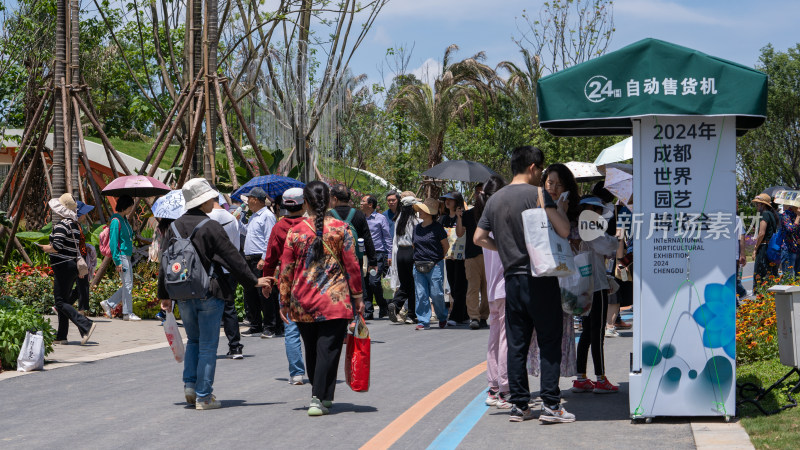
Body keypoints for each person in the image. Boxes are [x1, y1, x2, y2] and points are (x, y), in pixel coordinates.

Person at [474, 145, 575, 423]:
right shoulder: (538, 194)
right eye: (541, 170)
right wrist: (556, 208)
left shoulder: (494, 199)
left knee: (517, 344)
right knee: (549, 340)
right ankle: (552, 406)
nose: (542, 175)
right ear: (532, 168)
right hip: (540, 278)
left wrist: (505, 253)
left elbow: (479, 238)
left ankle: (520, 405)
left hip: (512, 281)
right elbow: (564, 230)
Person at [158, 178, 270, 410]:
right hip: (210, 291)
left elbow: (164, 262)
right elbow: (233, 257)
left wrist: (164, 294)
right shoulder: (210, 226)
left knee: (194, 341)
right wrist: (253, 280)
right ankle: (204, 396)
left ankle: (190, 385)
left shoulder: (174, 226)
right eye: (211, 198)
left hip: (183, 293)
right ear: (203, 201)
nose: (215, 201)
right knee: (208, 345)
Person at [277, 181, 364, 416]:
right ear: (329, 201)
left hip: (302, 301)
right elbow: (352, 265)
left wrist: (284, 300)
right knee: (329, 349)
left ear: (305, 202)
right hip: (334, 300)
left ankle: (323, 396)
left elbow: (286, 269)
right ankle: (319, 397)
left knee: (313, 349)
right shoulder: (341, 228)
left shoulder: (295, 232)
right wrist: (358, 296)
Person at [527, 164, 579, 383]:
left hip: (562, 284)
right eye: (550, 183)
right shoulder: (533, 210)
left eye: (559, 184)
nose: (554, 188)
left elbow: (573, 240)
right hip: (538, 280)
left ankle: (552, 382)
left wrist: (562, 213)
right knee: (535, 334)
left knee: (558, 332)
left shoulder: (570, 213)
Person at [572, 196, 620, 394]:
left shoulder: (575, 228)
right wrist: (616, 237)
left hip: (582, 286)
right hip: (596, 286)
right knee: (597, 332)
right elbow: (609, 246)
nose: (600, 214)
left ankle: (581, 377)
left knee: (586, 332)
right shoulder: (589, 228)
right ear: (589, 210)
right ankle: (600, 378)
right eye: (597, 210)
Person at [262, 187, 307, 385]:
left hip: (287, 284)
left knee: (291, 329)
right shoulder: (311, 225)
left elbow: (270, 258)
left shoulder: (279, 227)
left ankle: (297, 373)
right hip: (312, 283)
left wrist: (267, 281)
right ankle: (316, 370)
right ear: (304, 203)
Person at [476, 176, 512, 409]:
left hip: (492, 291)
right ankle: (504, 389)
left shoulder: (485, 223)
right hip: (506, 288)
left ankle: (493, 387)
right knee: (506, 339)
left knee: (494, 339)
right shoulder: (503, 224)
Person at [43, 194, 97, 346]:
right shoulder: (74, 225)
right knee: (64, 301)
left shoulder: (61, 225)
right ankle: (61, 336)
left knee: (59, 302)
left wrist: (43, 248)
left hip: (63, 266)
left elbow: (57, 247)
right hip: (72, 265)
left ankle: (86, 325)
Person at [328, 184, 377, 318]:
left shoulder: (328, 215)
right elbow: (367, 239)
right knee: (355, 290)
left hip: (333, 262)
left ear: (335, 198)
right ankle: (354, 323)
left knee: (336, 292)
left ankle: (340, 323)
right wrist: (373, 261)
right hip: (356, 260)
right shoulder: (359, 215)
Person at [206, 194, 245, 359]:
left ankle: (208, 348)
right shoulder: (232, 218)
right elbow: (236, 246)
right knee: (229, 308)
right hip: (230, 269)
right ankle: (235, 346)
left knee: (208, 309)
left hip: (211, 270)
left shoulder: (206, 219)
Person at [241, 187, 280, 338]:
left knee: (264, 292)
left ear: (255, 199)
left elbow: (270, 238)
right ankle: (255, 324)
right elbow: (247, 232)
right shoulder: (253, 216)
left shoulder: (267, 216)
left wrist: (264, 258)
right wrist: (238, 223)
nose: (247, 202)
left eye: (249, 198)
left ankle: (270, 325)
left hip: (259, 259)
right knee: (250, 292)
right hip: (250, 258)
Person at [99, 195, 140, 321]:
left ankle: (109, 303)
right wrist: (117, 261)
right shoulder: (116, 221)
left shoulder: (124, 220)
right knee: (128, 284)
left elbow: (127, 237)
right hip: (121, 255)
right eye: (130, 206)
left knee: (128, 284)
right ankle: (127, 313)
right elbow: (113, 242)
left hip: (126, 254)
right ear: (125, 206)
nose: (131, 209)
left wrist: (134, 229)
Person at [412, 197, 450, 330]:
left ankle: (442, 316)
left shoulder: (437, 228)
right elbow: (414, 245)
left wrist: (438, 259)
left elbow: (445, 246)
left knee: (437, 293)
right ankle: (423, 320)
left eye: (422, 210)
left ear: (428, 213)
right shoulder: (416, 228)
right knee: (421, 294)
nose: (419, 212)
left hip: (435, 264)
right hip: (418, 264)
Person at [388, 191, 420, 324]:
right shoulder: (415, 220)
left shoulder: (399, 218)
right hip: (411, 252)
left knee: (405, 283)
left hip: (400, 252)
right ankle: (412, 314)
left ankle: (396, 304)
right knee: (412, 284)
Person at [439, 192, 469, 324]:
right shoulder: (443, 219)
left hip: (461, 256)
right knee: (453, 286)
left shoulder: (464, 216)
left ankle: (455, 316)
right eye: (446, 200)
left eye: (450, 200)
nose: (447, 202)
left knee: (460, 286)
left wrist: (459, 217)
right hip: (448, 256)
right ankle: (464, 314)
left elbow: (460, 233)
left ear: (457, 202)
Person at [361, 194, 392, 319]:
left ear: (370, 205)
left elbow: (387, 237)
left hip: (378, 254)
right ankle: (368, 311)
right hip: (363, 255)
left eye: (363, 201)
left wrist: (389, 254)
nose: (360, 203)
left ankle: (383, 306)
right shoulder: (360, 218)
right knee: (365, 282)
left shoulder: (380, 218)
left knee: (374, 281)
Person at [462, 190, 489, 330]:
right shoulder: (467, 214)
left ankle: (484, 316)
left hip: (488, 254)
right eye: (477, 193)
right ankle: (474, 317)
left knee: (487, 289)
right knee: (473, 287)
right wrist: (459, 216)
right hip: (472, 255)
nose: (480, 196)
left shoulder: (491, 213)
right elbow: (460, 232)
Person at [71, 200, 96, 315]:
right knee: (82, 286)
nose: (85, 215)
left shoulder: (79, 226)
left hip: (82, 258)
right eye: (84, 213)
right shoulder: (75, 227)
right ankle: (81, 312)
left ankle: (63, 305)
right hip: (79, 259)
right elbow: (75, 246)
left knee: (82, 286)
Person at [752, 193, 779, 285]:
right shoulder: (772, 214)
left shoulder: (765, 214)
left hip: (764, 247)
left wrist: (755, 248)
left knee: (760, 274)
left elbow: (761, 233)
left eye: (758, 204)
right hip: (771, 248)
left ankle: (761, 295)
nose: (756, 206)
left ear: (763, 204)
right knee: (770, 273)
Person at [780, 205, 800, 278]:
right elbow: (790, 230)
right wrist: (798, 217)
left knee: (798, 278)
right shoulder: (786, 214)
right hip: (788, 249)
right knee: (788, 278)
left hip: (798, 249)